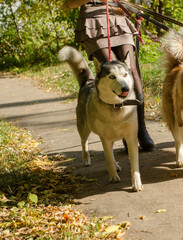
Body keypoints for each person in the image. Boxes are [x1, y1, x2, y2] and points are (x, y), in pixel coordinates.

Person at [64, 0, 154, 151]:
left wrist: (131, 7)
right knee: (111, 70)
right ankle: (126, 134)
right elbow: (70, 4)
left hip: (117, 15)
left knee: (130, 68)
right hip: (93, 22)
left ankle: (140, 128)